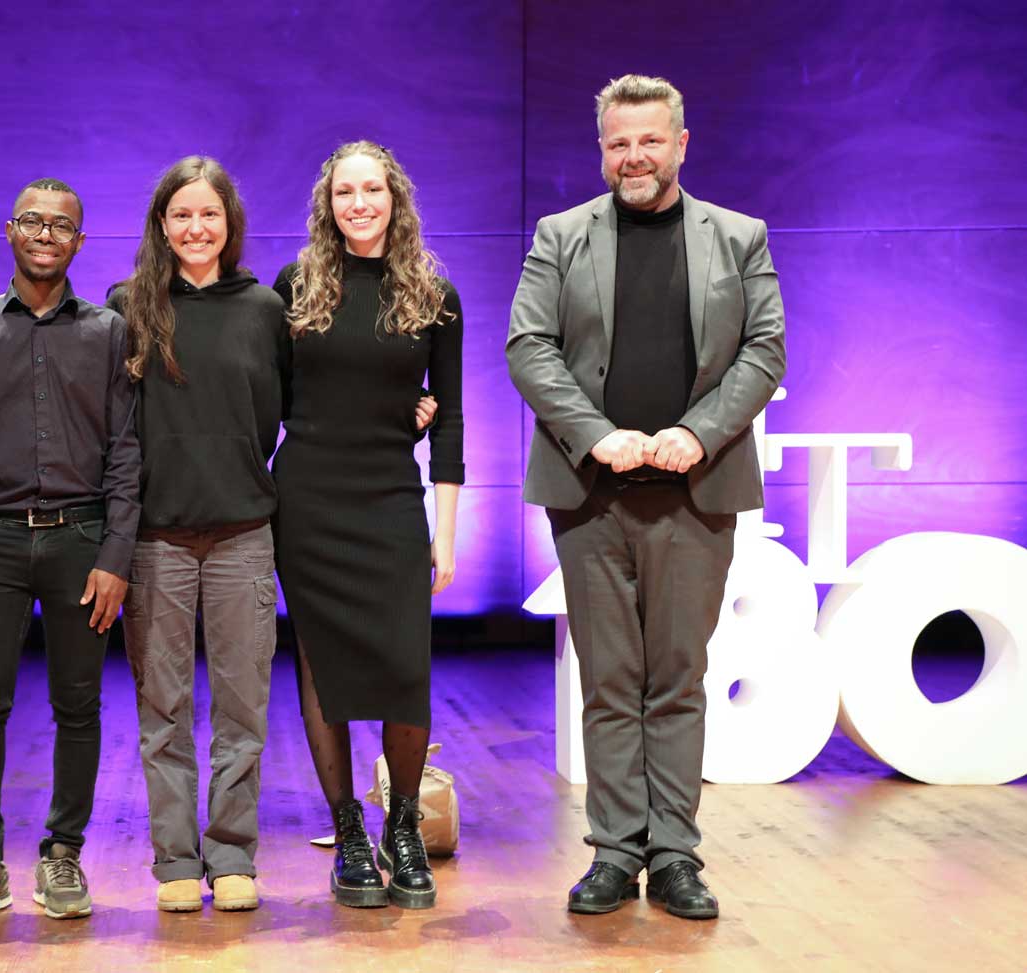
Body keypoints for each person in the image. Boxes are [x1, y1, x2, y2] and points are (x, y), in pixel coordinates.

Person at [507, 74, 786, 920]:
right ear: (603, 150)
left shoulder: (738, 236)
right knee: (609, 679)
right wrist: (596, 433)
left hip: (695, 494)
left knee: (677, 677)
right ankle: (613, 850)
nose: (634, 156)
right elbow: (530, 345)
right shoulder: (561, 236)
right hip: (591, 493)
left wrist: (699, 431)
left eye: (649, 140)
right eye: (618, 142)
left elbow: (765, 348)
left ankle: (674, 857)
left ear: (681, 144)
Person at [0, 179, 139, 925]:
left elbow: (126, 452)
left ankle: (63, 854)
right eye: (33, 222)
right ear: (11, 231)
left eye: (62, 225)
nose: (47, 234)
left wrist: (116, 550)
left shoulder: (108, 332)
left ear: (79, 242)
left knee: (78, 704)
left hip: (83, 540)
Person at [273, 141, 465, 910]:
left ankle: (406, 827)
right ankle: (349, 829)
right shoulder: (296, 285)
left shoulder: (433, 292)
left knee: (404, 666)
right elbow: (279, 402)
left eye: (372, 189)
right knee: (323, 667)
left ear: (396, 197)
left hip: (390, 500)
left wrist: (444, 532)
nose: (359, 202)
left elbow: (448, 418)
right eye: (345, 190)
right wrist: (387, 415)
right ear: (328, 201)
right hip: (309, 501)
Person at [107, 157, 284, 913]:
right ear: (161, 223)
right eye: (181, 214)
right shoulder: (129, 306)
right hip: (157, 541)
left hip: (245, 532)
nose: (196, 227)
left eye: (209, 214)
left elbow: (288, 411)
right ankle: (177, 857)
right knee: (164, 712)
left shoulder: (264, 308)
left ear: (230, 222)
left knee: (244, 708)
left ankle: (233, 850)